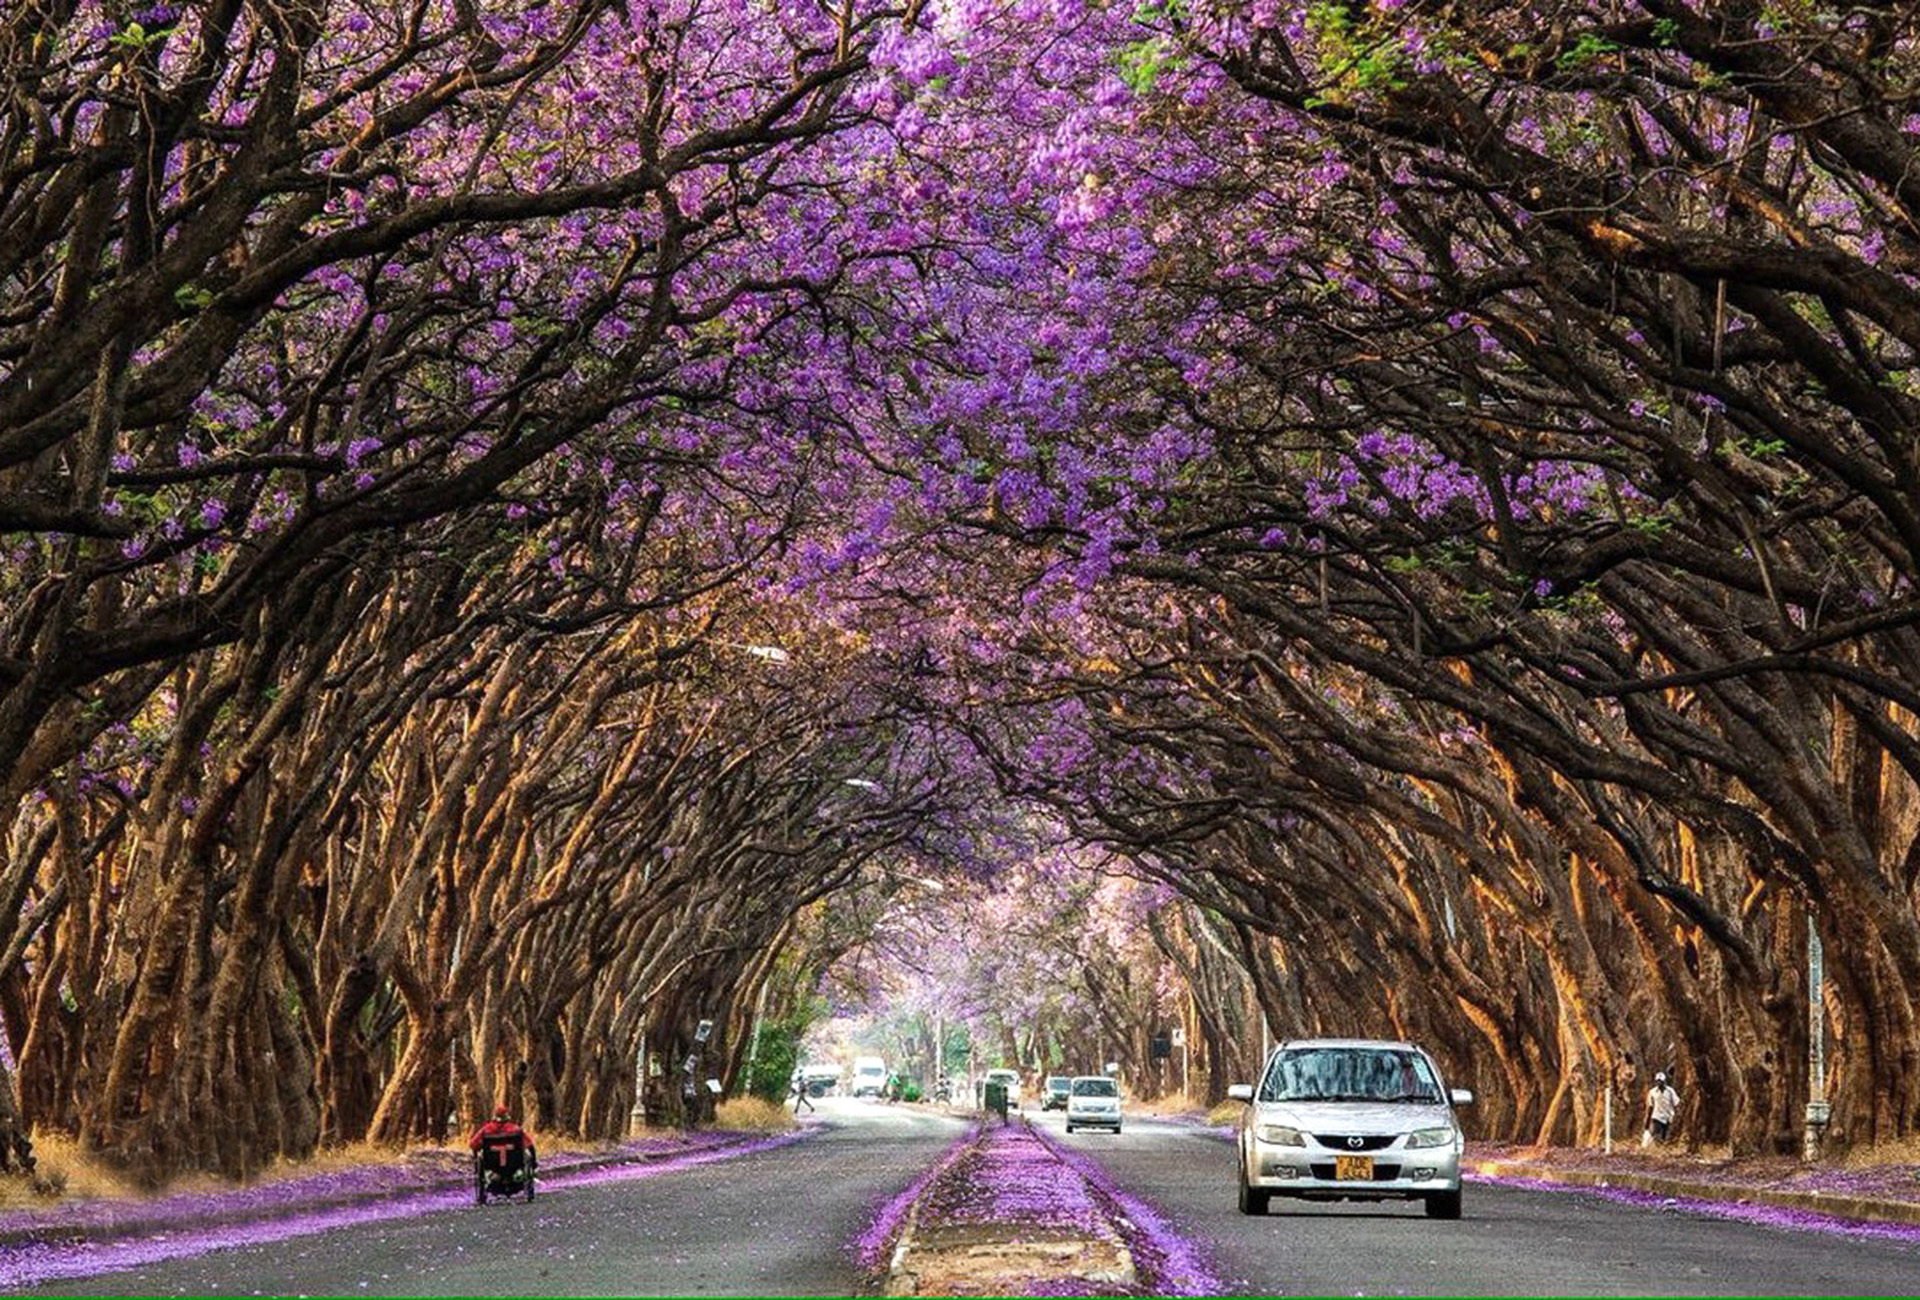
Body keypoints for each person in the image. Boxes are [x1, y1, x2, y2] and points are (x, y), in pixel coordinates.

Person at [1644, 1072, 1680, 1144]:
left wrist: (1677, 1117)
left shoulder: (1670, 1091)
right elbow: (1650, 1106)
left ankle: (1663, 1147)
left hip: (1668, 1116)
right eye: (1658, 1081)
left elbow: (1676, 1103)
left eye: (1661, 1081)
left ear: (1664, 1081)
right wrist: (1647, 1121)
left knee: (1665, 1136)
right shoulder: (1652, 1092)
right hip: (1657, 1116)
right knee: (1656, 1135)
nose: (1659, 1083)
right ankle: (1657, 1148)